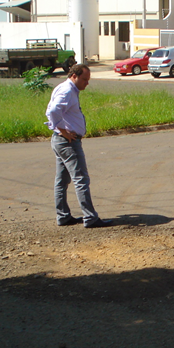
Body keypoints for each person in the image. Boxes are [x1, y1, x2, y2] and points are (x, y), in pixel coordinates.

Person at [44, 64, 112, 228]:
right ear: (74, 76)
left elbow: (51, 111)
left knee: (62, 180)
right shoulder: (67, 91)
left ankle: (63, 216)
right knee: (81, 178)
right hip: (68, 142)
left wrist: (59, 129)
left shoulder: (66, 88)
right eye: (84, 79)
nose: (86, 83)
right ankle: (90, 218)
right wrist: (63, 131)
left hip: (61, 141)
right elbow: (53, 111)